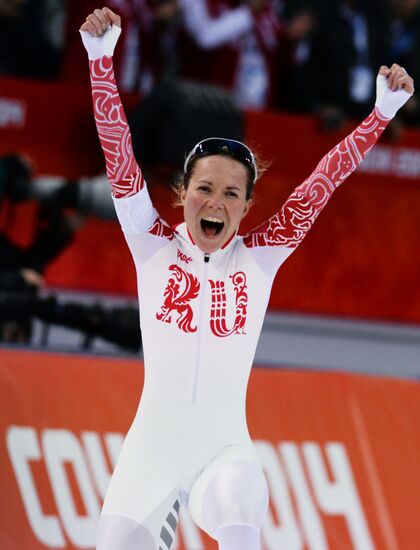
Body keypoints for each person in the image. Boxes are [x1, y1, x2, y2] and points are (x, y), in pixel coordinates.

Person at [80, 7, 414, 550]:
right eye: (205, 189)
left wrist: (378, 117)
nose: (216, 202)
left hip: (223, 453)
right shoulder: (151, 243)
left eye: (232, 193)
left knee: (239, 513)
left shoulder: (260, 258)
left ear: (247, 204)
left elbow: (320, 184)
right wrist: (100, 62)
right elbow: (118, 154)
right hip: (150, 455)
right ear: (182, 193)